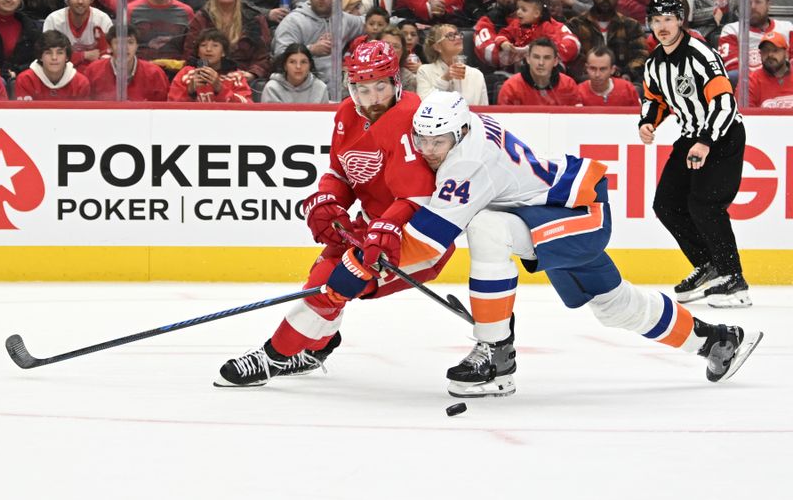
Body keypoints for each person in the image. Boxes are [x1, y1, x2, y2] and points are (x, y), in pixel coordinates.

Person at [326, 89, 762, 397]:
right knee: (613, 305)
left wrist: (368, 261)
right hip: (549, 210)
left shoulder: (468, 162)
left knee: (486, 229)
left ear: (459, 134)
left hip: (576, 213)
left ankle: (496, 353)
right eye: (421, 140)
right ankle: (716, 340)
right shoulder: (461, 126)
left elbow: (427, 245)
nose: (427, 149)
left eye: (437, 141)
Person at [216, 40, 452, 387]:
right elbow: (343, 172)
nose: (371, 99)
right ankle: (317, 347)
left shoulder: (411, 118)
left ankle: (272, 358)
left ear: (396, 83)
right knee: (323, 272)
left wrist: (385, 225)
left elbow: (416, 196)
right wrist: (327, 198)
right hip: (375, 228)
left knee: (329, 286)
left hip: (416, 236)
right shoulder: (347, 114)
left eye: (380, 87)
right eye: (361, 88)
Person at [640, 0, 750, 308]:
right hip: (692, 136)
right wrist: (648, 123)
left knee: (705, 205)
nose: (662, 26)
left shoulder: (700, 54)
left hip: (723, 134)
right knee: (666, 204)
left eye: (668, 19)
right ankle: (709, 264)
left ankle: (734, 279)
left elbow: (724, 101)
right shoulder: (655, 63)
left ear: (680, 20)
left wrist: (705, 141)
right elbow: (654, 100)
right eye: (657, 20)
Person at [271, 0, 364, 92]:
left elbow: (372, 23)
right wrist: (311, 50)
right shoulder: (294, 21)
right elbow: (279, 57)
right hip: (303, 91)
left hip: (339, 91)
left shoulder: (343, 19)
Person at [183, 0, 272, 84]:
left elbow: (263, 55)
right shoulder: (202, 18)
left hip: (244, 76)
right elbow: (191, 54)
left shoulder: (254, 18)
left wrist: (252, 73)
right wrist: (204, 72)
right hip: (207, 75)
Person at [566, 0, 647, 85]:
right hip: (586, 79)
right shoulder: (575, 24)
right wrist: (591, 73)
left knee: (638, 88)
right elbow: (572, 57)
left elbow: (641, 54)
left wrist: (627, 73)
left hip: (624, 79)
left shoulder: (631, 25)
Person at [718, 0, 793, 86]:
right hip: (748, 85)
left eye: (758, 2)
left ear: (768, 5)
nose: (752, 6)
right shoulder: (732, 30)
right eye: (748, 3)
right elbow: (731, 67)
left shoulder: (787, 28)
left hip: (784, 82)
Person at [492, 0, 581, 67]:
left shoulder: (546, 27)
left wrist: (533, 49)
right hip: (520, 66)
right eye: (518, 8)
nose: (518, 12)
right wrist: (504, 43)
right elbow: (503, 34)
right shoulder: (516, 24)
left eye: (524, 10)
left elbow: (555, 46)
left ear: (537, 13)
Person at [43, 0, 113, 75]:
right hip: (61, 74)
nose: (80, 1)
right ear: (67, 0)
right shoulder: (54, 20)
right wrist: (83, 55)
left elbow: (109, 55)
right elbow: (49, 55)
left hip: (95, 74)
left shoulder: (102, 19)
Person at [128, 0, 195, 68]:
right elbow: (125, 47)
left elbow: (190, 49)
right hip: (141, 71)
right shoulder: (131, 10)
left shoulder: (186, 12)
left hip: (175, 72)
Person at [83, 25, 170, 101]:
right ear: (110, 47)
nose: (125, 48)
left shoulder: (155, 73)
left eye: (130, 42)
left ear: (137, 46)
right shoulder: (93, 71)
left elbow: (163, 110)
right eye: (119, 42)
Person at [167, 27, 252, 102]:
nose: (208, 49)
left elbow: (247, 107)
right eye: (203, 45)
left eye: (215, 45)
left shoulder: (235, 76)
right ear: (198, 53)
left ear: (223, 52)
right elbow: (171, 108)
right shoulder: (186, 74)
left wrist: (221, 89)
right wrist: (190, 92)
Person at [416, 23, 488, 105]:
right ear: (437, 47)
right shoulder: (424, 71)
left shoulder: (476, 75)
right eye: (450, 35)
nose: (458, 38)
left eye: (458, 34)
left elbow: (485, 112)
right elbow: (423, 104)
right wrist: (445, 79)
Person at [497, 37, 581, 106]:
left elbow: (576, 121)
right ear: (528, 59)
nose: (541, 63)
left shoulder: (569, 85)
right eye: (536, 57)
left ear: (555, 61)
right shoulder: (511, 87)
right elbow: (504, 124)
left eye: (547, 58)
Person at [472, 0, 526, 70]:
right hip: (501, 76)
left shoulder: (537, 17)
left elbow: (562, 40)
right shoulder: (487, 21)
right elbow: (487, 51)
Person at [15, 29, 90, 100]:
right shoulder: (25, 79)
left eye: (60, 53)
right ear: (40, 56)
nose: (54, 57)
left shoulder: (80, 83)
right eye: (48, 53)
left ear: (67, 57)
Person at [0, 0, 41, 82]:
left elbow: (39, 59)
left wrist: (17, 72)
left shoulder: (31, 28)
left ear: (19, 1)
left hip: (21, 78)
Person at [260, 42, 328, 102]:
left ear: (310, 66)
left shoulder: (320, 88)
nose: (298, 66)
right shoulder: (272, 88)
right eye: (292, 62)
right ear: (285, 66)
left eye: (303, 62)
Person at [746, 31, 793, 109]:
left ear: (786, 53)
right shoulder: (750, 81)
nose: (770, 54)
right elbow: (745, 117)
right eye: (765, 51)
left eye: (775, 50)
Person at [379, 25, 417, 93]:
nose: (390, 49)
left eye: (396, 46)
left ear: (402, 52)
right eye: (386, 45)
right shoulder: (363, 71)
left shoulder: (407, 78)